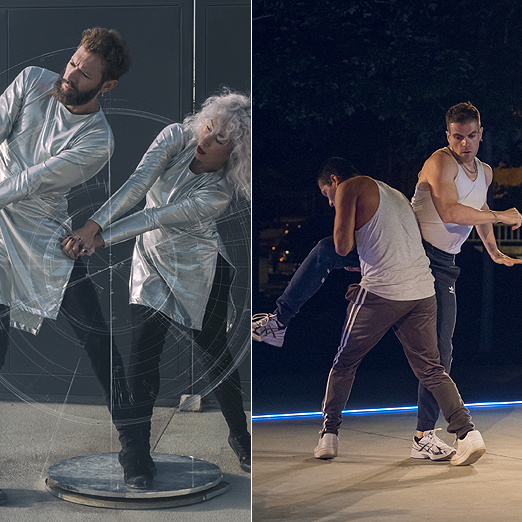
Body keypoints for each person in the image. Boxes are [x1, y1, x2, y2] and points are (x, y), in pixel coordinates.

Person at [254, 102, 522, 459]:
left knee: (440, 355)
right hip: (416, 253)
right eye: (457, 137)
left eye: (471, 136)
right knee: (324, 252)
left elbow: (478, 212)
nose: (465, 143)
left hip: (436, 263)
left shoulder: (484, 173)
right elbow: (450, 211)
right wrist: (503, 215)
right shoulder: (441, 161)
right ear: (448, 136)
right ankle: (279, 320)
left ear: (481, 134)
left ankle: (423, 435)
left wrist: (491, 249)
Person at [63, 88, 252, 486]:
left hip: (201, 270)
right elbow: (137, 185)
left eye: (219, 140)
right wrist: (94, 226)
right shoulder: (174, 137)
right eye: (208, 128)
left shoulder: (217, 193)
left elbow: (158, 217)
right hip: (152, 263)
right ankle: (136, 454)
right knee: (142, 358)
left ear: (234, 154)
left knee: (215, 355)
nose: (204, 140)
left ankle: (241, 435)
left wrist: (97, 239)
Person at [0, 28, 134, 503]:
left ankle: (134, 448)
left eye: (84, 74)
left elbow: (30, 181)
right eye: (72, 63)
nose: (70, 76)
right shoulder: (31, 81)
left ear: (106, 86)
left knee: (99, 341)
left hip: (45, 238)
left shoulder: (98, 140)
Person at [311, 157, 485, 466]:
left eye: (327, 194)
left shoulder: (350, 187)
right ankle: (468, 434)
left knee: (345, 362)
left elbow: (340, 245)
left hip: (382, 290)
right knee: (432, 369)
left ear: (335, 181)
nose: (329, 202)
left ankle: (329, 435)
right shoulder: (393, 193)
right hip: (422, 289)